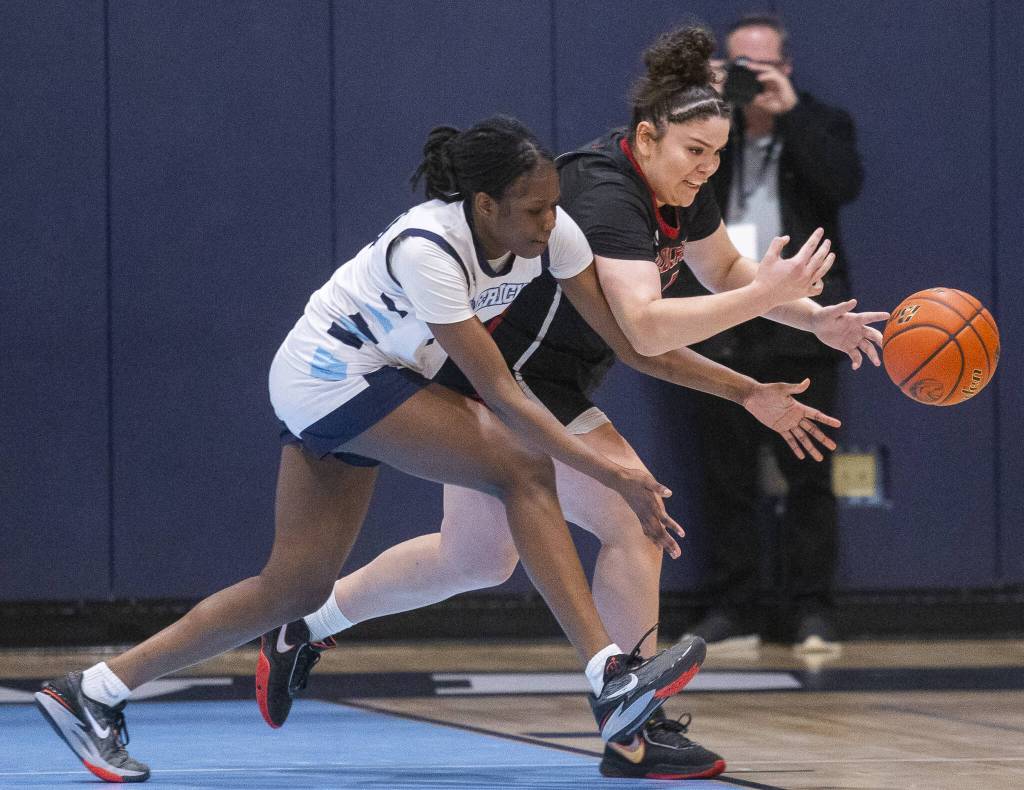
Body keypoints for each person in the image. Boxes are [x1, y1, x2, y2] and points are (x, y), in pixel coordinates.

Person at [257, 26, 887, 781]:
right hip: (498, 380)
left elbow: (722, 270)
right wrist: (761, 307)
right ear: (648, 137)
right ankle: (633, 728)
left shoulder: (680, 181)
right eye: (695, 152)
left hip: (552, 384)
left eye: (718, 154)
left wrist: (809, 317)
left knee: (475, 559)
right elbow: (644, 330)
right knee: (632, 521)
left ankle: (302, 630)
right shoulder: (604, 195)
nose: (707, 168)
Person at [33, 115, 713, 784]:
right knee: (522, 465)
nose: (550, 223)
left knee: (293, 586)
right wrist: (614, 471)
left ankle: (92, 690)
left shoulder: (551, 232)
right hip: (328, 377)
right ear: (485, 204)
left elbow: (630, 340)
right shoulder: (428, 249)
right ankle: (608, 676)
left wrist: (750, 390)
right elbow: (502, 396)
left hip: (373, 376)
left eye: (553, 206)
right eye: (534, 209)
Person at [683, 14, 865, 652]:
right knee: (725, 472)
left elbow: (843, 184)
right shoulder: (711, 131)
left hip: (805, 320)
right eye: (740, 68)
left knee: (811, 468)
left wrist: (789, 117)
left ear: (787, 68)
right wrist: (721, 107)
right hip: (721, 312)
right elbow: (687, 199)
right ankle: (735, 606)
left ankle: (811, 608)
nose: (753, 79)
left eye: (765, 67)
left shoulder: (820, 121)